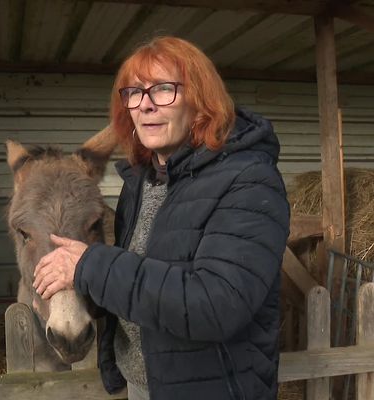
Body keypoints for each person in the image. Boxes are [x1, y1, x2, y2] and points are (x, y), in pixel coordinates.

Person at [33, 36, 290, 400]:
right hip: (143, 386)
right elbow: (141, 283)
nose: (145, 106)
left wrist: (91, 266)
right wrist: (71, 277)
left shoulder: (248, 180)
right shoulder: (141, 182)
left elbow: (217, 305)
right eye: (134, 93)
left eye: (164, 89)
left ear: (201, 101)